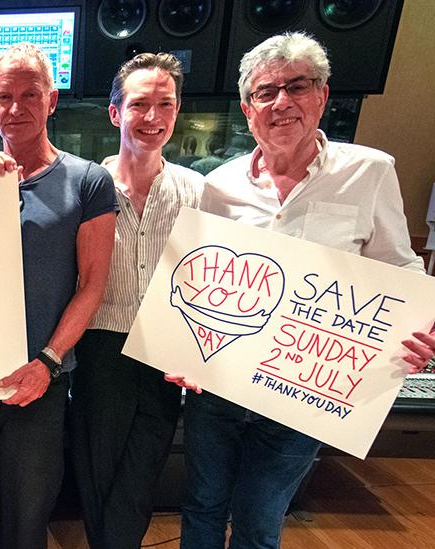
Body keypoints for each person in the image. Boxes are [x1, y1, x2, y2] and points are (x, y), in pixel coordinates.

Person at [166, 32, 435, 549]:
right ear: (248, 109)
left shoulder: (370, 171)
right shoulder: (217, 185)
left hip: (303, 392)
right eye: (267, 92)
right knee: (201, 504)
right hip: (219, 382)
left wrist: (418, 334)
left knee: (261, 519)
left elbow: (402, 270)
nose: (282, 102)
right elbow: (200, 281)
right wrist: (180, 347)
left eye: (298, 86)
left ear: (322, 96)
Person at [0, 43, 117, 549]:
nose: (15, 108)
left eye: (29, 95)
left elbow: (92, 284)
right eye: (4, 97)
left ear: (52, 100)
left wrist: (48, 361)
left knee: (27, 520)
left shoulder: (87, 181)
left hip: (41, 381)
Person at [70, 52, 202, 549]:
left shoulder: (198, 190)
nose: (152, 117)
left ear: (177, 111)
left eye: (164, 104)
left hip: (167, 350)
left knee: (142, 473)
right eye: (140, 104)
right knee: (97, 472)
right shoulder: (85, 186)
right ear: (115, 113)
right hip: (101, 347)